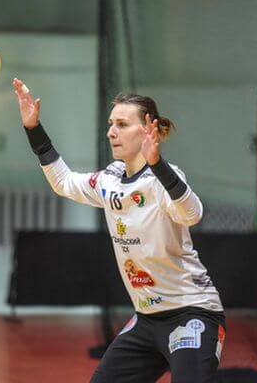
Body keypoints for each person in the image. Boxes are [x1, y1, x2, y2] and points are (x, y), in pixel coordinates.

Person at [13, 78, 226, 383]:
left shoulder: (164, 178)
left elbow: (193, 214)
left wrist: (157, 164)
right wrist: (33, 128)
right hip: (147, 319)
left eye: (122, 124)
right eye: (111, 124)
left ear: (149, 131)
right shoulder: (110, 179)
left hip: (192, 311)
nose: (111, 132)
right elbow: (63, 182)